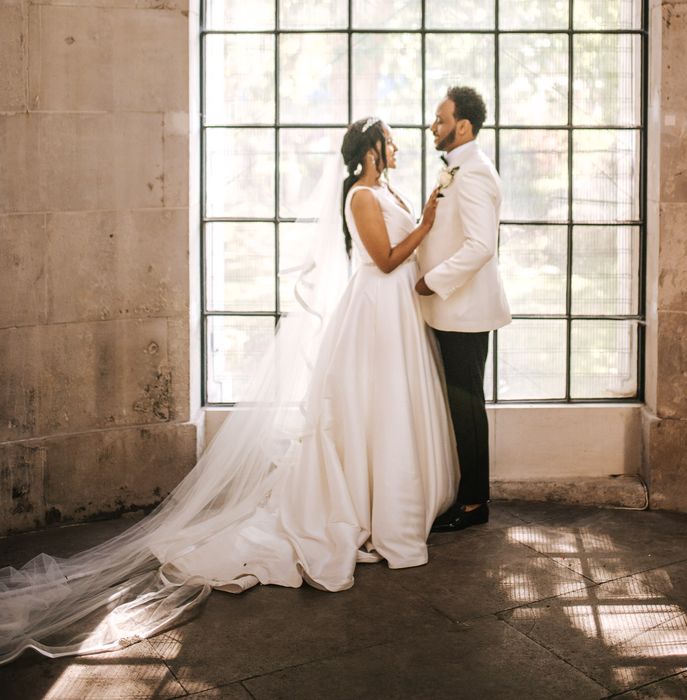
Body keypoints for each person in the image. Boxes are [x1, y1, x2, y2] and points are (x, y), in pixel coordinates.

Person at [0, 117, 457, 664]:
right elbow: (384, 260)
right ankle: (364, 505)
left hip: (395, 313)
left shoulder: (385, 188)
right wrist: (428, 221)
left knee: (390, 410)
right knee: (371, 409)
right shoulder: (361, 194)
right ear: (371, 150)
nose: (401, 145)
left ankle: (391, 499)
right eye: (391, 139)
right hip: (374, 313)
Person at [416, 86, 511, 533]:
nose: (433, 126)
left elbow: (480, 247)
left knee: (468, 407)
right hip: (453, 311)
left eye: (440, 119)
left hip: (464, 311)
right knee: (460, 405)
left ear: (463, 125)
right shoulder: (458, 169)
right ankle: (467, 493)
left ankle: (475, 503)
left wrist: (430, 282)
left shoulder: (473, 173)